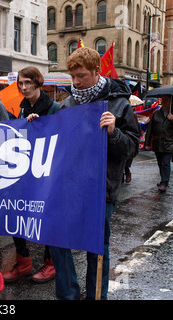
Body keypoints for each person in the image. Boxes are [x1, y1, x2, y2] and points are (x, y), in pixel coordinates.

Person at [48, 47, 140, 300]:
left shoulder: (119, 104)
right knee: (57, 240)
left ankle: (97, 296)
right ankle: (68, 295)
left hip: (101, 189)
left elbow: (132, 148)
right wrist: (38, 124)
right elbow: (55, 142)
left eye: (81, 76)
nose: (76, 82)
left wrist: (114, 132)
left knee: (97, 247)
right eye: (72, 77)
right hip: (69, 187)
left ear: (97, 72)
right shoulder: (67, 103)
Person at [1, 66, 58, 284]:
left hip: (48, 174)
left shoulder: (54, 107)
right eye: (20, 84)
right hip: (26, 172)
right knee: (17, 216)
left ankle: (50, 263)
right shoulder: (22, 110)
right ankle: (23, 262)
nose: (23, 88)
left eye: (27, 83)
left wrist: (41, 125)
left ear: (37, 83)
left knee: (46, 220)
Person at [144, 94, 173, 192]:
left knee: (165, 163)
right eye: (163, 99)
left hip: (169, 143)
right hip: (157, 143)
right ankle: (163, 180)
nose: (163, 101)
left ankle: (164, 183)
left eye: (166, 100)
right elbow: (150, 129)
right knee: (160, 163)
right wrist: (147, 142)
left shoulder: (172, 114)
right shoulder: (156, 113)